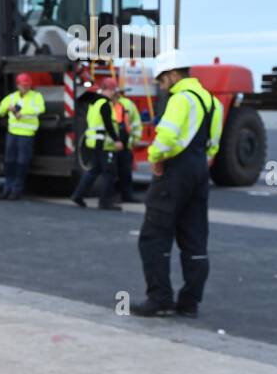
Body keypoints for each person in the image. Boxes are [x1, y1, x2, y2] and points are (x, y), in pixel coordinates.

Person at [134, 51, 224, 318]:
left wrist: (154, 158)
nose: (161, 86)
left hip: (174, 172)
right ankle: (189, 303)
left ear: (173, 75)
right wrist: (200, 164)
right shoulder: (212, 102)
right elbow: (214, 144)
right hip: (198, 172)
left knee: (153, 238)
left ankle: (159, 299)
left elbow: (167, 136)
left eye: (162, 80)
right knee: (195, 240)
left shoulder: (179, 99)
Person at [71, 77, 126, 210]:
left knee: (94, 170)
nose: (114, 93)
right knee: (109, 173)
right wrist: (117, 140)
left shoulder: (94, 103)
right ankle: (105, 202)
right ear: (109, 90)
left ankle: (78, 195)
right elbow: (108, 125)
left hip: (95, 143)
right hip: (104, 144)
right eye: (113, 90)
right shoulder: (105, 104)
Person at [0, 73, 45, 200]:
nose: (26, 87)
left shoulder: (36, 96)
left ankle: (16, 190)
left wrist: (21, 113)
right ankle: (7, 189)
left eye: (28, 85)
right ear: (18, 85)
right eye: (23, 85)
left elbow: (40, 109)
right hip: (13, 133)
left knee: (22, 162)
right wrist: (7, 108)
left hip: (27, 134)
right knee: (9, 162)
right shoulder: (12, 98)